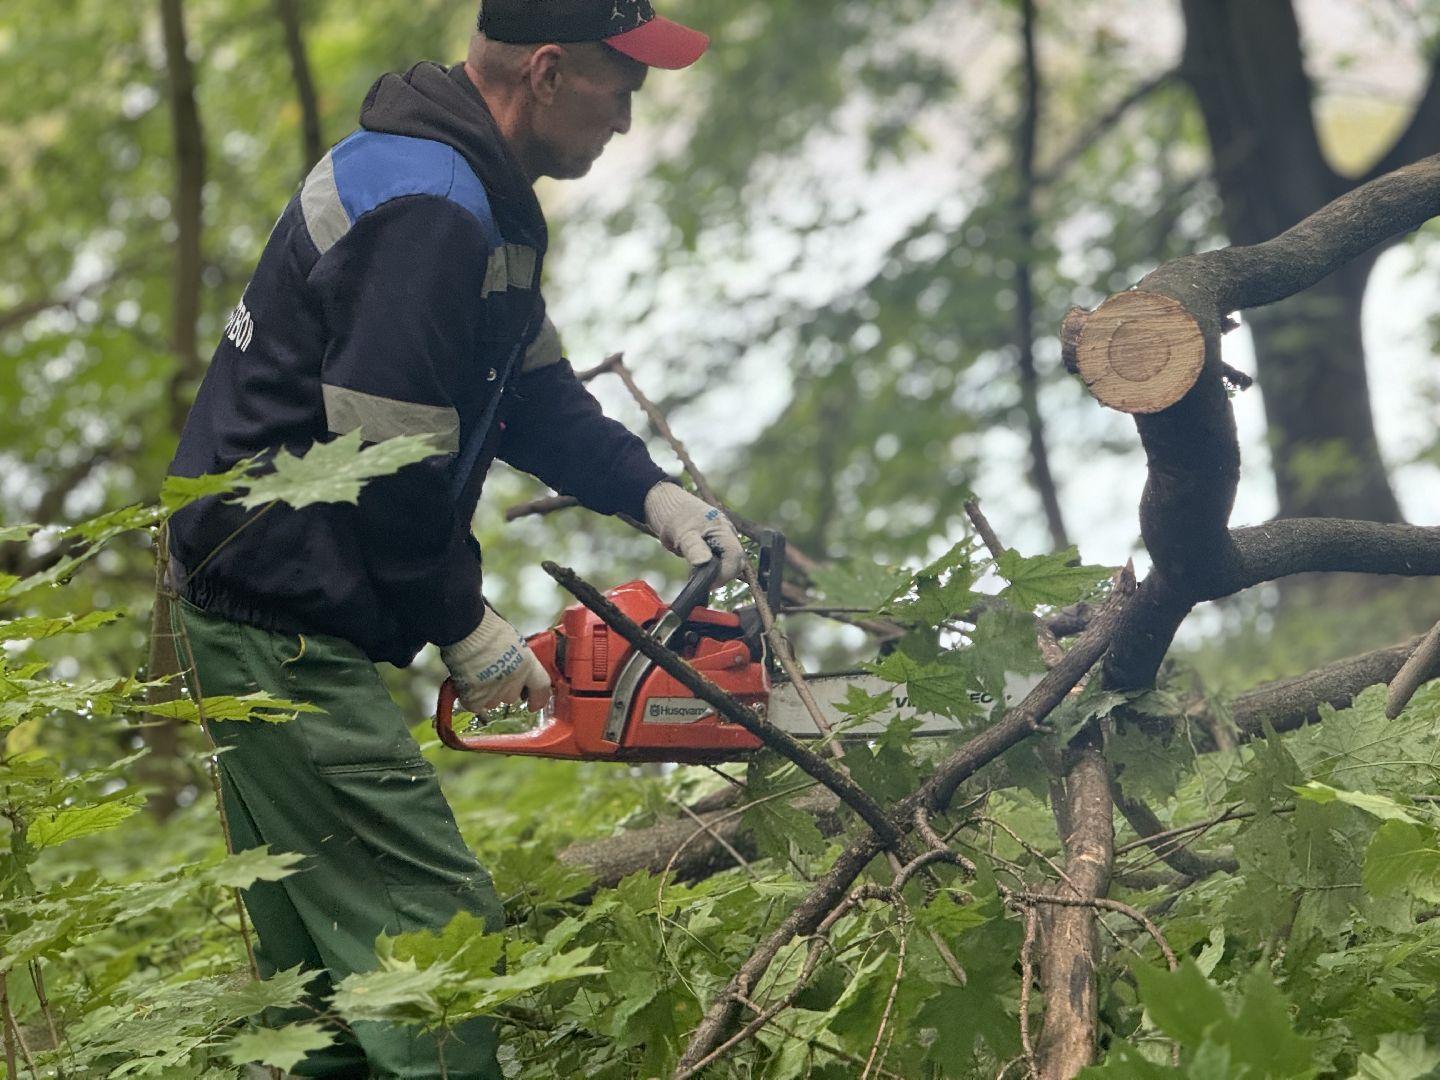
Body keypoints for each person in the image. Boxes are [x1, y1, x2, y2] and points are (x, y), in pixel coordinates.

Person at [163, 2, 744, 1075]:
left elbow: (537, 397)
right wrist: (464, 626)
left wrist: (660, 500)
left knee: (329, 997)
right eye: (626, 87)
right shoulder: (431, 206)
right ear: (550, 71)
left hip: (268, 591)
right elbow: (390, 454)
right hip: (279, 603)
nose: (630, 117)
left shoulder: (477, 193)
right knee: (438, 953)